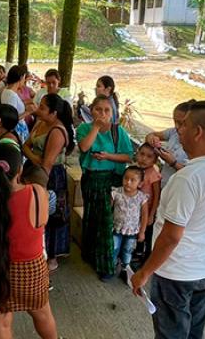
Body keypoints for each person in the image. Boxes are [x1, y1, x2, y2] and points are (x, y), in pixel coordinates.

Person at [131, 100, 205, 339]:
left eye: (183, 125)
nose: (178, 130)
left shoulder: (188, 178)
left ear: (198, 132)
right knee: (193, 334)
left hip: (176, 274)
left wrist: (144, 272)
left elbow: (171, 236)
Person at [0, 143, 57, 339]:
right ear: (20, 169)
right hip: (31, 270)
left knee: (0, 321)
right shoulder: (37, 193)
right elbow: (43, 222)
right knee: (42, 313)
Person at [76, 95, 134, 280]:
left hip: (112, 182)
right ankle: (91, 255)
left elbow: (128, 156)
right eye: (98, 109)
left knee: (107, 222)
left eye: (106, 110)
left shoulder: (119, 132)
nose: (102, 114)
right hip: (91, 180)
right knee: (92, 218)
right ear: (91, 111)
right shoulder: (84, 128)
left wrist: (108, 156)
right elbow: (84, 148)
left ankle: (106, 266)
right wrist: (95, 127)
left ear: (113, 112)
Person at [23, 94, 75, 272]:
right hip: (34, 172)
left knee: (51, 214)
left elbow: (47, 163)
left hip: (49, 177)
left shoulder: (57, 132)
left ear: (54, 113)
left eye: (43, 107)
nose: (38, 108)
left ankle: (52, 255)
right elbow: (25, 145)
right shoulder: (40, 124)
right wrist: (34, 158)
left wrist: (34, 158)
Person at [145, 99, 196, 188]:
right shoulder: (173, 133)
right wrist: (153, 140)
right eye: (174, 121)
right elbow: (150, 135)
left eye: (180, 123)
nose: (176, 126)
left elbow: (192, 174)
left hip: (177, 189)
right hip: (163, 184)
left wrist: (173, 163)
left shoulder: (196, 144)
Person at [111, 166, 149, 277]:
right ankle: (110, 268)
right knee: (114, 248)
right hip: (116, 228)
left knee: (127, 250)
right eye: (126, 178)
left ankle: (125, 269)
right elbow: (108, 210)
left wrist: (142, 232)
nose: (128, 182)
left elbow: (144, 216)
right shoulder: (116, 193)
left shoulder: (142, 198)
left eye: (133, 180)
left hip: (132, 231)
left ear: (140, 184)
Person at [132, 143, 162, 264]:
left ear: (155, 160)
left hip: (148, 211)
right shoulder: (136, 170)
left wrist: (152, 215)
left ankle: (147, 257)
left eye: (149, 156)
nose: (144, 159)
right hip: (136, 209)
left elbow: (156, 196)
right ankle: (138, 252)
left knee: (147, 234)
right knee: (139, 231)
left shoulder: (153, 175)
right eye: (142, 154)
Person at [0, 65, 36, 142]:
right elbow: (11, 119)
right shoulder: (10, 94)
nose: (24, 81)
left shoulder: (7, 91)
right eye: (24, 78)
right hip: (16, 130)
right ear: (21, 78)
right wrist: (28, 112)